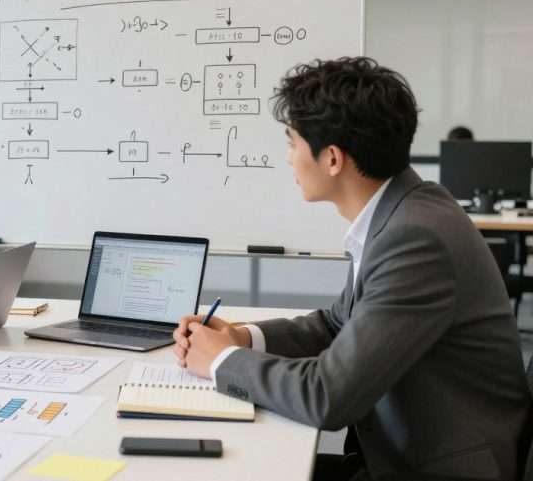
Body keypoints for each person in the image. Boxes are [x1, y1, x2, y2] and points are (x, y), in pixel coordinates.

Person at [172, 57, 530, 480]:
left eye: (292, 142)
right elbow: (338, 323)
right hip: (400, 452)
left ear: (334, 159)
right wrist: (242, 337)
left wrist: (222, 361)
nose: (288, 158)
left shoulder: (415, 237)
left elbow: (328, 396)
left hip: (438, 468)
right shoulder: (402, 211)